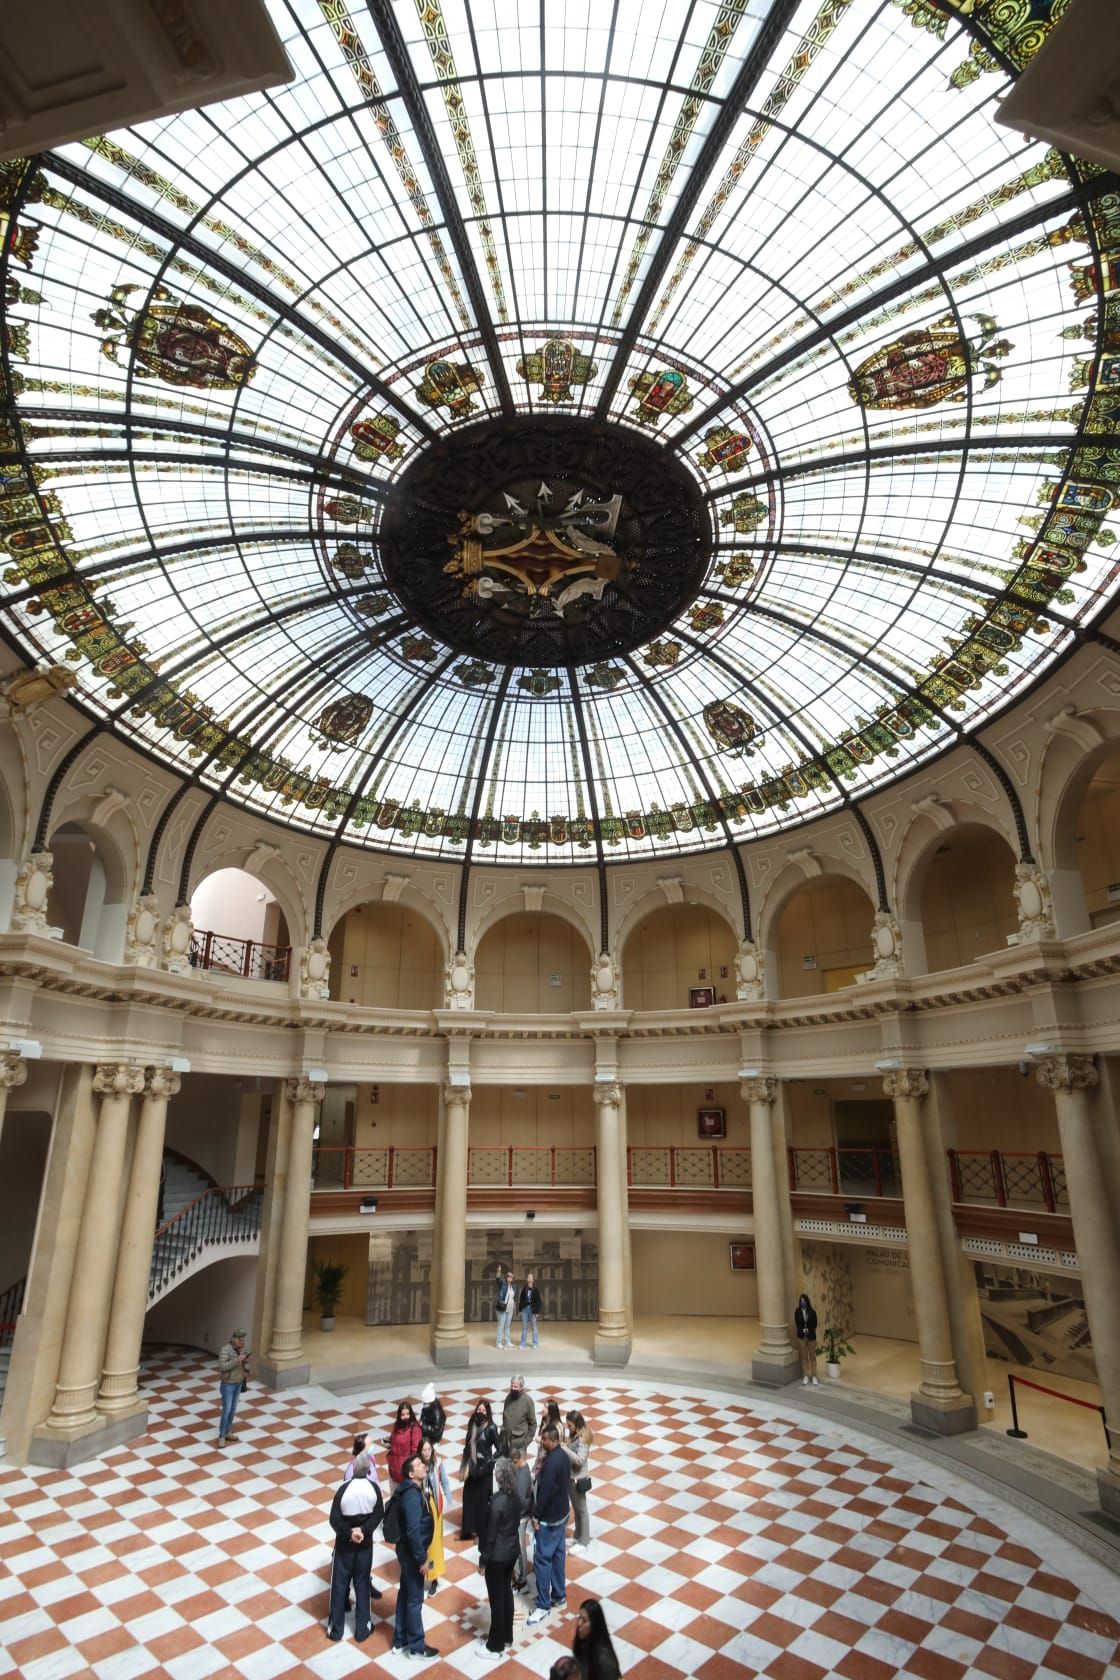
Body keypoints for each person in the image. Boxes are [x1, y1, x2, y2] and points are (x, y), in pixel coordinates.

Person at [326, 1449, 382, 1642]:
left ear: (352, 1470)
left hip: (344, 1545)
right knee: (362, 1584)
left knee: (339, 1585)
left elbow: (334, 1519)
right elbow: (378, 1515)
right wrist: (363, 1531)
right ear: (368, 1471)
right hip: (365, 1545)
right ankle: (362, 1629)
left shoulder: (343, 1489)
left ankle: (336, 1629)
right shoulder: (374, 1489)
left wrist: (349, 1533)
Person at [393, 1452, 437, 1660]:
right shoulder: (411, 1496)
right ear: (412, 1474)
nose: (422, 1465)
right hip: (412, 1555)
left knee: (405, 1594)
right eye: (419, 1464)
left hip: (408, 1552)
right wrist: (422, 1560)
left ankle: (400, 1639)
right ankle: (417, 1646)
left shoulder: (413, 1490)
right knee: (414, 1599)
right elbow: (412, 1531)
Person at [478, 1455, 521, 1658]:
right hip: (512, 1551)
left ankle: (495, 1646)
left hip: (497, 1557)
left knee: (497, 1599)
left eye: (496, 1471)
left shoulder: (497, 1503)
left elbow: (490, 1536)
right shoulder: (515, 1496)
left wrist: (482, 1561)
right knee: (506, 1594)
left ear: (500, 1476)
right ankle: (507, 1636)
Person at [527, 1424, 569, 1624]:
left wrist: (536, 1516)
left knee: (543, 1559)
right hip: (563, 1514)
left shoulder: (551, 1463)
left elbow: (545, 1493)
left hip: (550, 1519)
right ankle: (559, 1594)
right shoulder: (563, 1455)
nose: (540, 1442)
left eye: (543, 1439)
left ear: (552, 1440)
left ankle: (543, 1604)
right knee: (559, 1554)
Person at [341, 1432, 384, 1602]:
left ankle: (367, 1581)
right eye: (370, 1444)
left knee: (366, 1555)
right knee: (351, 1557)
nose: (372, 1446)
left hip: (369, 1515)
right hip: (356, 1518)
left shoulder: (371, 1461)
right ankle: (344, 1593)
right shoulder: (352, 1468)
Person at [459, 1397, 501, 1541]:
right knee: (469, 1498)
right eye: (479, 1409)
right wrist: (464, 1464)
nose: (480, 1412)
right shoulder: (472, 1423)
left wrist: (489, 1463)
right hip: (471, 1467)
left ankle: (481, 1531)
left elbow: (500, 1449)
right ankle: (468, 1529)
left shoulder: (491, 1427)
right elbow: (467, 1443)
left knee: (482, 1502)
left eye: (483, 1410)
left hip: (484, 1470)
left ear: (488, 1412)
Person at [418, 1436, 452, 1597]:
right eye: (423, 1449)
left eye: (428, 1449)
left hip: (435, 1506)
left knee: (434, 1544)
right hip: (420, 1507)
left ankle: (433, 1578)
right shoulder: (416, 1465)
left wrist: (449, 1498)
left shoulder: (437, 1464)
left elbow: (444, 1481)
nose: (426, 1452)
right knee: (420, 1542)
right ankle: (420, 1573)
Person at [563, 1411, 593, 1550]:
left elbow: (580, 1460)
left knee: (582, 1510)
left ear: (577, 1424)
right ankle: (578, 1535)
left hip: (578, 1479)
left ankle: (584, 1541)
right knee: (576, 1508)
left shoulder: (582, 1439)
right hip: (571, 1477)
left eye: (570, 1425)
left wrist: (565, 1450)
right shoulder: (574, 1435)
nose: (568, 1428)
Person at [572, 1598, 621, 1680]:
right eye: (579, 1618)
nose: (579, 1624)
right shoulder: (583, 1642)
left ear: (595, 1624)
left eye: (584, 1620)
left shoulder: (605, 1660)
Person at [216, 1328, 249, 1446]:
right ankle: (221, 1435)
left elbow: (243, 1363)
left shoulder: (241, 1349)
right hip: (228, 1384)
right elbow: (222, 1367)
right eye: (240, 1339)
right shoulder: (225, 1349)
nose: (242, 1342)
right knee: (227, 1410)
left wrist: (245, 1368)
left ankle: (228, 1432)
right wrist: (237, 1360)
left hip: (238, 1382)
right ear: (234, 1339)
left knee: (233, 1409)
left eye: (243, 1339)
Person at [510, 1443, 534, 1591]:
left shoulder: (523, 1475)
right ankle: (520, 1574)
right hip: (520, 1514)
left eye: (513, 1462)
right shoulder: (522, 1470)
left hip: (520, 1515)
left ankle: (522, 1577)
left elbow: (519, 1498)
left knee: (520, 1547)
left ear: (518, 1460)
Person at [387, 1400, 423, 1489]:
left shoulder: (414, 1429)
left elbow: (415, 1451)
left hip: (406, 1474)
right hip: (394, 1471)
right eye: (403, 1415)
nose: (405, 1417)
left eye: (407, 1414)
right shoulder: (397, 1426)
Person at [502, 1373, 536, 1458]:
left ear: (521, 1387)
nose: (513, 1388)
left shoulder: (527, 1401)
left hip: (519, 1445)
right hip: (506, 1444)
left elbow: (533, 1424)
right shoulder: (508, 1398)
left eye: (515, 1387)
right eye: (512, 1386)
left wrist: (525, 1443)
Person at [794, 1291, 820, 1386]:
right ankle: (806, 1375)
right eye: (801, 1301)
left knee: (812, 1357)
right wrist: (803, 1330)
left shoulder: (812, 1312)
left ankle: (814, 1376)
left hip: (811, 1337)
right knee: (804, 1358)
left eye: (804, 1301)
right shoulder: (797, 1311)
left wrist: (809, 1330)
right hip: (801, 1337)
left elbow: (815, 1324)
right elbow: (797, 1323)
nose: (802, 1302)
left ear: (807, 1301)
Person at [518, 1270, 543, 1349]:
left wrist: (537, 1311)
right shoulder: (524, 1289)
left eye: (531, 1277)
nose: (529, 1278)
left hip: (532, 1309)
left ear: (533, 1280)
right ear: (527, 1279)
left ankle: (535, 1343)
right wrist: (520, 1310)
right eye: (528, 1277)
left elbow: (539, 1301)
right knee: (524, 1327)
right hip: (525, 1309)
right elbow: (521, 1300)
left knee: (534, 1327)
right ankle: (523, 1343)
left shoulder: (536, 1290)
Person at [496, 1267, 517, 1348]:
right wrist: (498, 1271)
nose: (509, 1277)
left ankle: (507, 1341)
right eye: (508, 1275)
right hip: (502, 1308)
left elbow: (514, 1297)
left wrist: (513, 1306)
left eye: (511, 1276)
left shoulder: (514, 1287)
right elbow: (497, 1280)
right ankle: (498, 1343)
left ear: (513, 1278)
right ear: (506, 1277)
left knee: (507, 1326)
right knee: (501, 1325)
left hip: (510, 1309)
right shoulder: (503, 1283)